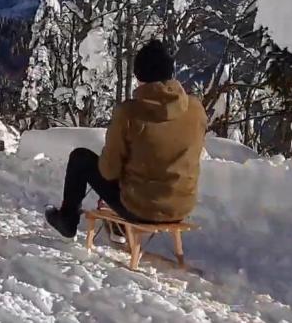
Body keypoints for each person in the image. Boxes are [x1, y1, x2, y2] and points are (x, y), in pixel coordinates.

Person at [45, 40, 208, 237]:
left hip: (140, 208)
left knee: (81, 159)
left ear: (140, 76)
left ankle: (67, 220)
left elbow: (108, 171)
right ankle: (118, 227)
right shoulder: (196, 109)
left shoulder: (129, 112)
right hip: (182, 207)